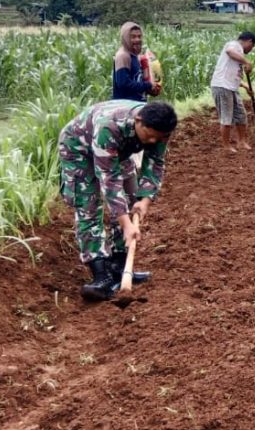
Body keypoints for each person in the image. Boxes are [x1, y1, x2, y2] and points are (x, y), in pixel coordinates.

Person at [58, 100, 178, 301]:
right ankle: (100, 276)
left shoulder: (161, 129)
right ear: (138, 121)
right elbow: (110, 180)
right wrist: (126, 224)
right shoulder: (109, 127)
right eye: (148, 136)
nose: (151, 142)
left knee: (131, 199)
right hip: (79, 150)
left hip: (117, 151)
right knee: (89, 207)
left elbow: (155, 162)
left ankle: (120, 267)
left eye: (157, 139)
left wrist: (145, 200)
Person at [210, 31, 255, 152]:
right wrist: (246, 62)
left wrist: (246, 86)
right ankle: (226, 146)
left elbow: (233, 75)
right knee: (227, 117)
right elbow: (229, 52)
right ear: (249, 41)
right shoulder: (234, 45)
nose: (251, 50)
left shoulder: (239, 54)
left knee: (241, 115)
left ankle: (241, 142)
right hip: (222, 86)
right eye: (252, 47)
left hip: (231, 87)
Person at [112, 21, 162, 101]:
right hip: (125, 106)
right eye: (133, 37)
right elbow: (123, 84)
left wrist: (151, 87)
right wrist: (148, 85)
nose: (137, 39)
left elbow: (138, 80)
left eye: (139, 36)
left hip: (136, 104)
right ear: (125, 38)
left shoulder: (135, 56)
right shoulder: (123, 56)